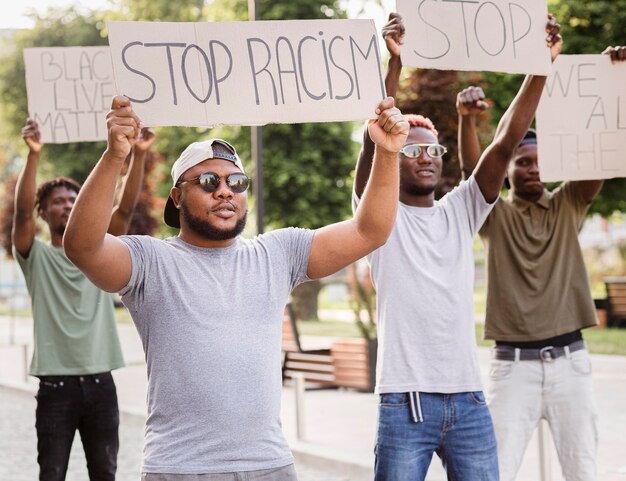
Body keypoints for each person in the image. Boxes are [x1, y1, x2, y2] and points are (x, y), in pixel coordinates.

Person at [62, 95, 407, 481]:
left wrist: (388, 152)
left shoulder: (278, 253)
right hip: (179, 469)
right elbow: (83, 247)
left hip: (270, 466)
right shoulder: (150, 261)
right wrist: (115, 157)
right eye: (208, 181)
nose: (225, 191)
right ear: (177, 197)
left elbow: (369, 230)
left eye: (236, 182)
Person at [354, 12, 562, 481]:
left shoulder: (461, 209)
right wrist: (394, 65)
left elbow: (506, 141)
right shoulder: (378, 216)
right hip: (405, 401)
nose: (425, 157)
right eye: (411, 150)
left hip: (469, 401)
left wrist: (540, 66)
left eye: (433, 151)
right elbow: (375, 135)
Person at [456, 45, 626, 481]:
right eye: (523, 161)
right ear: (508, 170)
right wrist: (467, 121)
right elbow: (475, 170)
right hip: (512, 369)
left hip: (572, 363)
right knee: (493, 472)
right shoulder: (495, 214)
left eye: (541, 161)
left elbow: (601, 153)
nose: (534, 168)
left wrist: (611, 81)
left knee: (583, 471)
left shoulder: (569, 202)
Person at [12, 118, 155, 481]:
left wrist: (138, 154)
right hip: (55, 386)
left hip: (100, 384)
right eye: (57, 202)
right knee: (52, 474)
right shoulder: (36, 256)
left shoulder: (98, 252)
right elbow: (21, 213)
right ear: (45, 213)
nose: (67, 205)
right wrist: (34, 156)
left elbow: (122, 211)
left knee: (105, 473)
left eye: (73, 200)